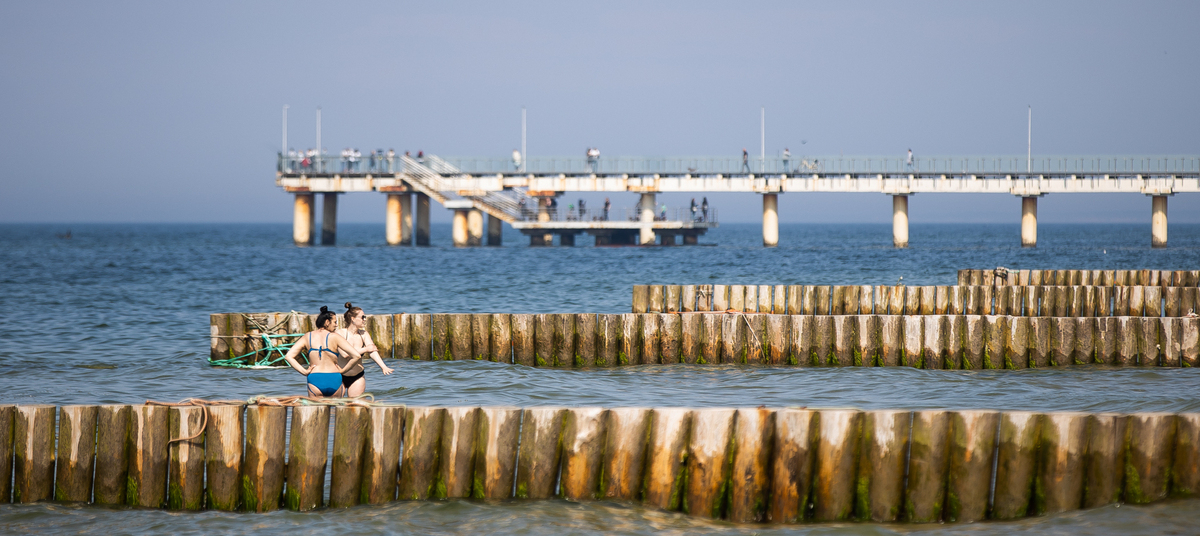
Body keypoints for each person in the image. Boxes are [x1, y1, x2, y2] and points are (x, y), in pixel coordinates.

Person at [282, 306, 364, 398]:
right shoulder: (335, 337)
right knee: (335, 411)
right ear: (327, 322)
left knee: (316, 411)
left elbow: (288, 356)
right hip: (334, 378)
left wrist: (304, 372)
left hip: (315, 379)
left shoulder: (308, 336)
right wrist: (343, 370)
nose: (336, 325)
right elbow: (356, 356)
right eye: (335, 322)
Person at [336, 303, 394, 397]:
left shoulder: (364, 334)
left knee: (356, 405)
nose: (365, 319)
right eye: (362, 317)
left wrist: (383, 367)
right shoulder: (340, 333)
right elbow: (345, 355)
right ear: (353, 319)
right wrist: (365, 349)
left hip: (357, 375)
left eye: (365, 317)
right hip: (339, 375)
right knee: (336, 404)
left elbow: (373, 351)